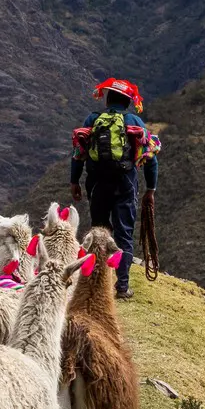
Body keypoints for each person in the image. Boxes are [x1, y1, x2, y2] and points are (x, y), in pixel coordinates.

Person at [68, 77, 159, 299]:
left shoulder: (93, 119)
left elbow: (78, 153)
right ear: (128, 102)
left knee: (99, 231)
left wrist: (74, 182)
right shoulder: (135, 121)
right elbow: (150, 157)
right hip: (125, 183)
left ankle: (96, 282)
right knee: (124, 233)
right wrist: (150, 190)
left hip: (97, 182)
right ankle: (122, 286)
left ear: (107, 99)